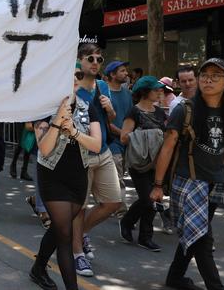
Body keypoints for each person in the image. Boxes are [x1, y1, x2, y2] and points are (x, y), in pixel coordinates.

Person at [151, 58, 224, 290]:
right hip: (189, 183)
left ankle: (174, 277)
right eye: (205, 74)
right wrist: (158, 185)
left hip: (215, 184)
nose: (208, 79)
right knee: (203, 239)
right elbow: (168, 146)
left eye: (216, 75)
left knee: (195, 233)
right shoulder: (184, 109)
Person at [29, 64, 102, 290]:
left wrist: (74, 132)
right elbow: (45, 148)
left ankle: (38, 267)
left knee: (60, 228)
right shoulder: (43, 108)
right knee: (65, 234)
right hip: (52, 177)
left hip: (78, 177)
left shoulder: (88, 106)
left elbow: (96, 145)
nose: (74, 79)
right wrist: (58, 119)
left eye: (78, 75)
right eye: (68, 74)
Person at [73, 43, 122, 276]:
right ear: (80, 61)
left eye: (99, 59)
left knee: (113, 202)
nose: (95, 62)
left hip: (103, 153)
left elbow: (110, 120)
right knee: (79, 208)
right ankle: (77, 255)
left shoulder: (102, 87)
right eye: (90, 58)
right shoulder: (71, 89)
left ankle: (80, 234)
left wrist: (110, 109)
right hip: (80, 156)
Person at [119, 76, 168, 252]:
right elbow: (124, 137)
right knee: (148, 200)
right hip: (139, 163)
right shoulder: (134, 112)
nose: (159, 92)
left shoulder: (160, 112)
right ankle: (129, 223)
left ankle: (143, 236)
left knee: (152, 198)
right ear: (145, 92)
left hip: (157, 163)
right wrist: (149, 136)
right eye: (155, 90)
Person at [105, 60, 133, 217]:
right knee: (118, 178)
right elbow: (106, 122)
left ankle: (107, 202)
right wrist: (122, 133)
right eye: (122, 71)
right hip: (112, 141)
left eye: (125, 70)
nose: (126, 73)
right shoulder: (104, 94)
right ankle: (122, 211)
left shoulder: (127, 93)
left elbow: (131, 116)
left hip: (127, 141)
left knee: (116, 176)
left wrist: (129, 134)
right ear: (112, 74)